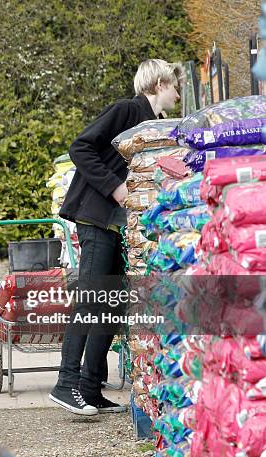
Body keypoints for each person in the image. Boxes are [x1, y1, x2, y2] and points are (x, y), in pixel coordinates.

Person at [51, 59, 184, 415]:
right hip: (96, 218)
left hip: (115, 224)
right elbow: (81, 147)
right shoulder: (127, 110)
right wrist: (115, 188)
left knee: (109, 306)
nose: (177, 92)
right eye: (173, 85)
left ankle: (91, 388)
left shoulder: (154, 126)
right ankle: (65, 384)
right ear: (158, 84)